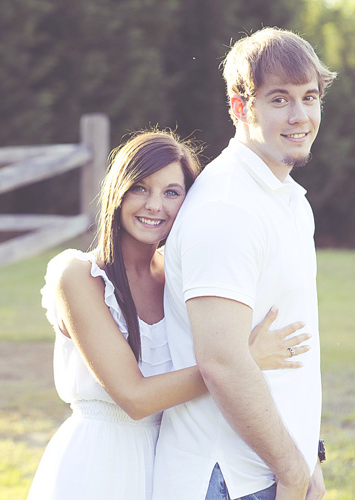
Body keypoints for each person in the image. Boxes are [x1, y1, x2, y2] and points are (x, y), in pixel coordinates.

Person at [26, 130, 310, 500]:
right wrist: (242, 360)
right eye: (140, 188)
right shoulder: (78, 276)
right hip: (98, 463)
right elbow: (134, 398)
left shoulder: (178, 278)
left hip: (167, 464)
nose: (154, 205)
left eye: (171, 193)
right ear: (118, 191)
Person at [152, 27, 337, 500]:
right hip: (227, 479)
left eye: (309, 97)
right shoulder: (229, 206)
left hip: (270, 472)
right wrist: (292, 471)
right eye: (279, 100)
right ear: (240, 107)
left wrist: (305, 459)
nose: (300, 116)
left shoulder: (286, 198)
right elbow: (223, 361)